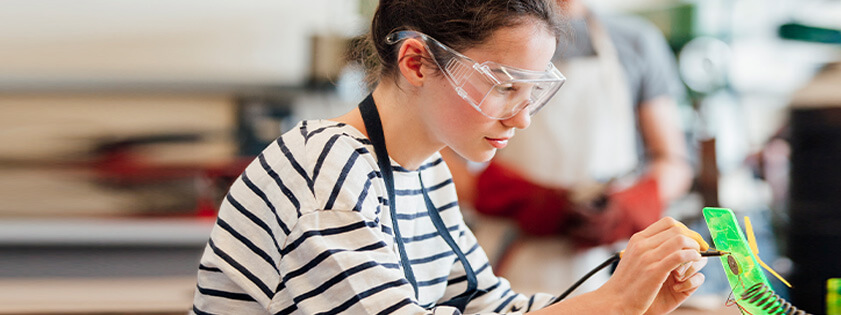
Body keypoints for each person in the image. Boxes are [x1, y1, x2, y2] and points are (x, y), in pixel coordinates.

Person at [190, 0, 708, 314]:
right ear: (416, 62)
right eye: (504, 86)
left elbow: (489, 307)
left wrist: (629, 302)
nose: (522, 118)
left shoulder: (425, 171)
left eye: (533, 92)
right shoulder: (325, 170)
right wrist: (610, 303)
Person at [441, 0, 694, 294]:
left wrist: (630, 207)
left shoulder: (636, 41)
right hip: (509, 256)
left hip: (610, 260)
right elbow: (436, 151)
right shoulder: (484, 35)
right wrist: (509, 197)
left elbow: (673, 161)